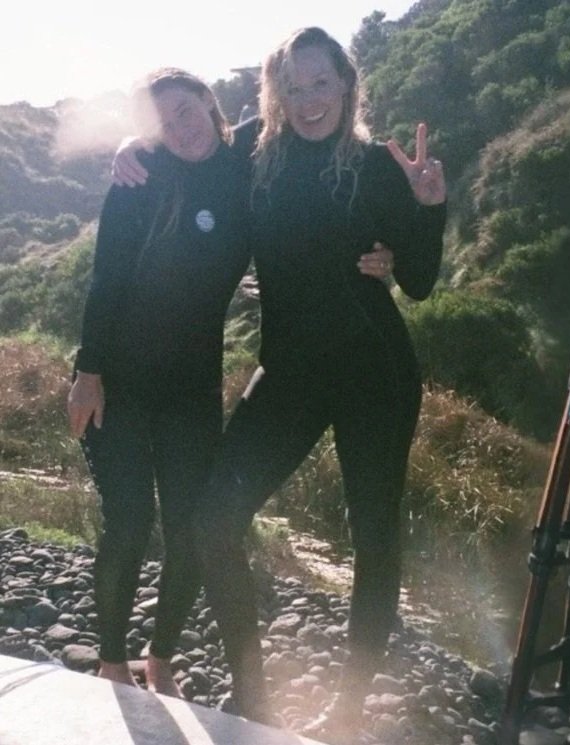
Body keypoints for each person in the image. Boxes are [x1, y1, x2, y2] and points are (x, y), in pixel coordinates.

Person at [111, 27, 446, 737]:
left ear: (346, 86)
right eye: (291, 87)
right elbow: (183, 141)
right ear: (273, 93)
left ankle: (349, 707)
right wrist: (129, 150)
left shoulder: (376, 165)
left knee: (373, 536)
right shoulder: (252, 154)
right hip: (289, 373)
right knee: (212, 521)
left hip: (373, 374)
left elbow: (417, 281)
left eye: (320, 83)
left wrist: (427, 207)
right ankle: (254, 693)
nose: (307, 99)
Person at [68, 66, 394, 699]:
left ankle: (160, 657)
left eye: (187, 110)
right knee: (130, 521)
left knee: (191, 523)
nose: (179, 128)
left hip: (191, 386)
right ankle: (109, 662)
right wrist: (87, 373)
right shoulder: (141, 178)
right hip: (119, 379)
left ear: (211, 105)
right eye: (162, 122)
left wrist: (392, 247)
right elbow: (105, 280)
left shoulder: (250, 159)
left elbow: (319, 188)